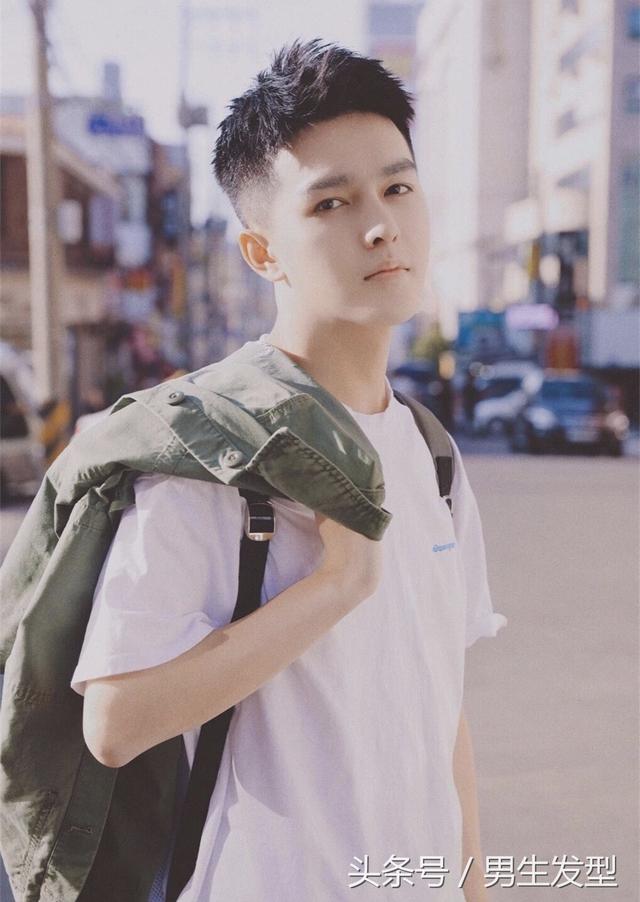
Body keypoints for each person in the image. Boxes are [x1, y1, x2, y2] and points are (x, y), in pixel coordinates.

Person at [71, 39, 507, 901]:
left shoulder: (430, 451)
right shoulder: (213, 450)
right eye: (331, 202)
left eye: (397, 188)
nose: (379, 225)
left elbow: (441, 708)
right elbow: (114, 721)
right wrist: (335, 586)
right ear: (262, 252)